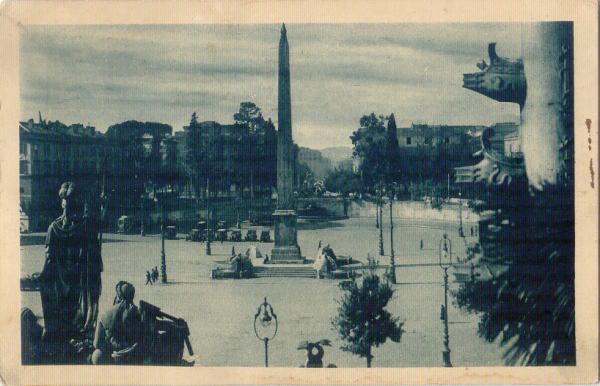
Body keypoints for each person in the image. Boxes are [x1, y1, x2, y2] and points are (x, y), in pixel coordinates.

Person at [39, 181, 102, 347]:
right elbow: (93, 250)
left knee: (63, 315)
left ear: (62, 205)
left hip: (61, 285)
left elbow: (49, 260)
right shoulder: (83, 228)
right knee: (76, 315)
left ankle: (56, 333)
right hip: (78, 282)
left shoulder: (53, 229)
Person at [91, 281, 142, 365]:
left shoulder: (105, 314)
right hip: (132, 356)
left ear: (118, 295)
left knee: (97, 354)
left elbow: (96, 344)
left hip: (112, 357)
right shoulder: (138, 313)